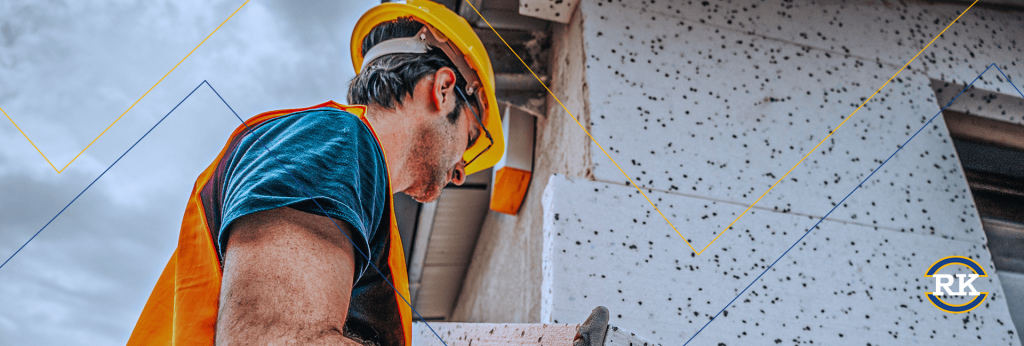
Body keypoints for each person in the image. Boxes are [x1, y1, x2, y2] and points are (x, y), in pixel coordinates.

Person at [127, 1, 504, 345]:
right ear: (442, 89)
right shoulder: (333, 142)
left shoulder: (344, 166)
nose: (459, 172)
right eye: (469, 138)